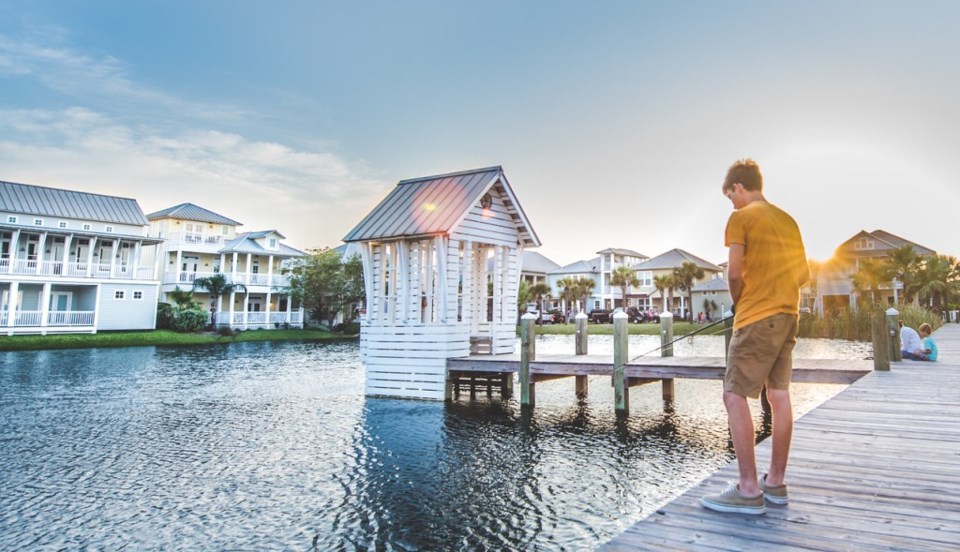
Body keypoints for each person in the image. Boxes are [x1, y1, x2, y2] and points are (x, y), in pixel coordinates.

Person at [700, 159, 810, 515]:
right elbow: (802, 276)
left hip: (757, 317)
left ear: (739, 187)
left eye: (730, 195)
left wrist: (739, 302)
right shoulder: (789, 220)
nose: (730, 202)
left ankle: (748, 489)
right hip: (789, 315)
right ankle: (775, 483)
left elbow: (733, 273)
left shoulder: (741, 217)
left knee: (734, 396)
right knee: (779, 395)